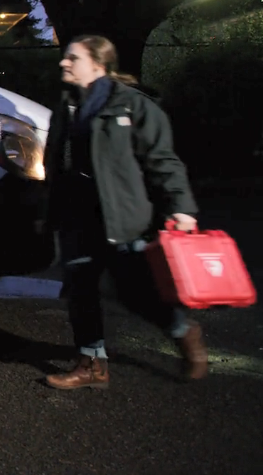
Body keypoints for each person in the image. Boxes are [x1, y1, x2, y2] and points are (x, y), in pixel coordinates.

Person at [43, 34, 208, 390]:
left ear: (98, 66)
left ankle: (184, 331)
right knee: (81, 290)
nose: (64, 63)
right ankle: (92, 365)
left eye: (73, 58)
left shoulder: (133, 106)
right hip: (78, 215)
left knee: (137, 293)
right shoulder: (66, 107)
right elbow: (54, 162)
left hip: (123, 217)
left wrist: (181, 208)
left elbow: (162, 161)